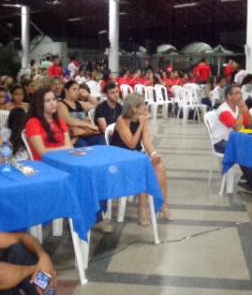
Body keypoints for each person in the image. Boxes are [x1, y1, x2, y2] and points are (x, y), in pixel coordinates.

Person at [110, 93, 171, 224]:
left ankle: (163, 204)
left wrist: (154, 154)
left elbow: (147, 141)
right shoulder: (121, 120)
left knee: (160, 166)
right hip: (119, 158)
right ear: (134, 108)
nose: (145, 107)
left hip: (135, 156)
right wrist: (142, 125)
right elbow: (131, 144)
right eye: (143, 105)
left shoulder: (141, 118)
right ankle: (142, 209)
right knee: (143, 168)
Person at [210, 84, 252, 195]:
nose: (241, 95)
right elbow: (237, 128)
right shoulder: (224, 110)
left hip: (235, 140)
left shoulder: (237, 107)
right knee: (242, 151)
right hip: (221, 142)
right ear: (229, 96)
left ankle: (247, 177)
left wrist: (246, 111)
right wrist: (241, 111)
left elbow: (250, 125)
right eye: (238, 93)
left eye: (241, 92)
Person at [25, 88, 72, 160]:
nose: (52, 103)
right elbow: (42, 153)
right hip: (43, 164)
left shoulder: (60, 122)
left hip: (63, 159)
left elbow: (70, 147)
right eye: (47, 101)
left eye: (54, 99)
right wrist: (65, 148)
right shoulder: (33, 123)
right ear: (39, 104)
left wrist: (65, 148)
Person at [57, 81, 103, 147]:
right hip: (72, 137)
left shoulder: (79, 103)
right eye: (74, 89)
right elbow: (68, 120)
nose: (77, 92)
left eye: (78, 89)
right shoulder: (61, 105)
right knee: (83, 147)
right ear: (66, 91)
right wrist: (88, 125)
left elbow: (97, 107)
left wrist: (87, 95)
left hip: (85, 134)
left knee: (101, 139)